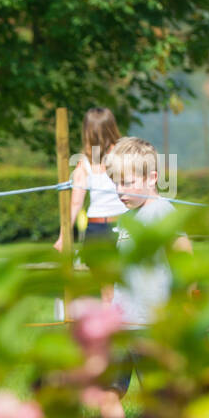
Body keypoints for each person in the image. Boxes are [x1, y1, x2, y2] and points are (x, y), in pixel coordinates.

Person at [93, 137, 194, 418]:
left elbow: (185, 260)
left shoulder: (163, 212)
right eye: (115, 183)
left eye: (127, 182)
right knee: (106, 393)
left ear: (152, 178)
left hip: (152, 327)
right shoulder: (126, 218)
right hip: (123, 327)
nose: (120, 191)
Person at [55, 108, 123, 305]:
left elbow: (76, 203)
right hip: (118, 227)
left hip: (99, 230)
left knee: (107, 291)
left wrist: (62, 236)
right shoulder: (125, 155)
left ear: (87, 131)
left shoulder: (84, 163)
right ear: (112, 127)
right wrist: (63, 237)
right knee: (119, 288)